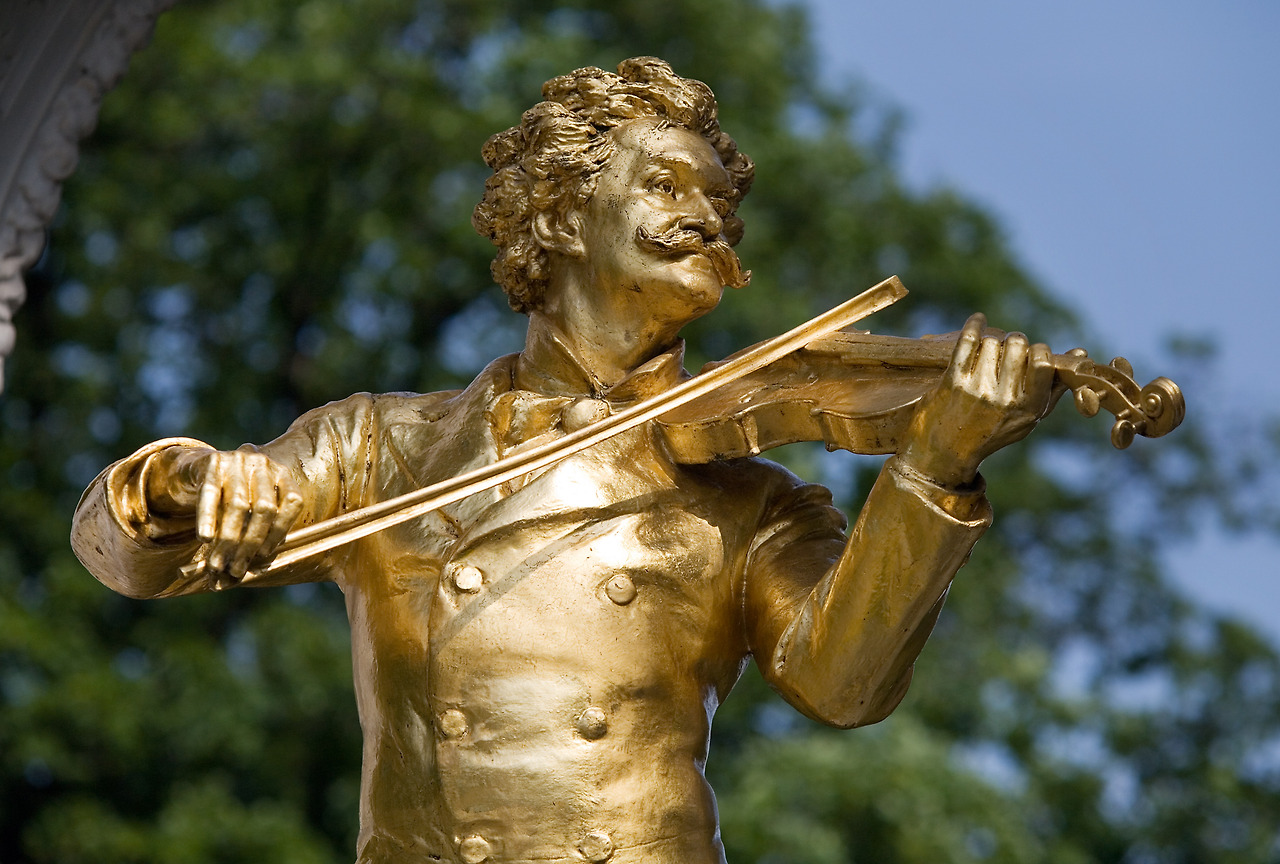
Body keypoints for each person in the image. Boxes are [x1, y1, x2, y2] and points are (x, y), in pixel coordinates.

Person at [72, 58, 1058, 864]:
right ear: (556, 214)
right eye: (664, 187)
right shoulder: (378, 445)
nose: (705, 216)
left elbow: (842, 685)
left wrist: (932, 465)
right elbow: (131, 559)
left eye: (718, 202)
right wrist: (189, 486)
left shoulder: (752, 502)